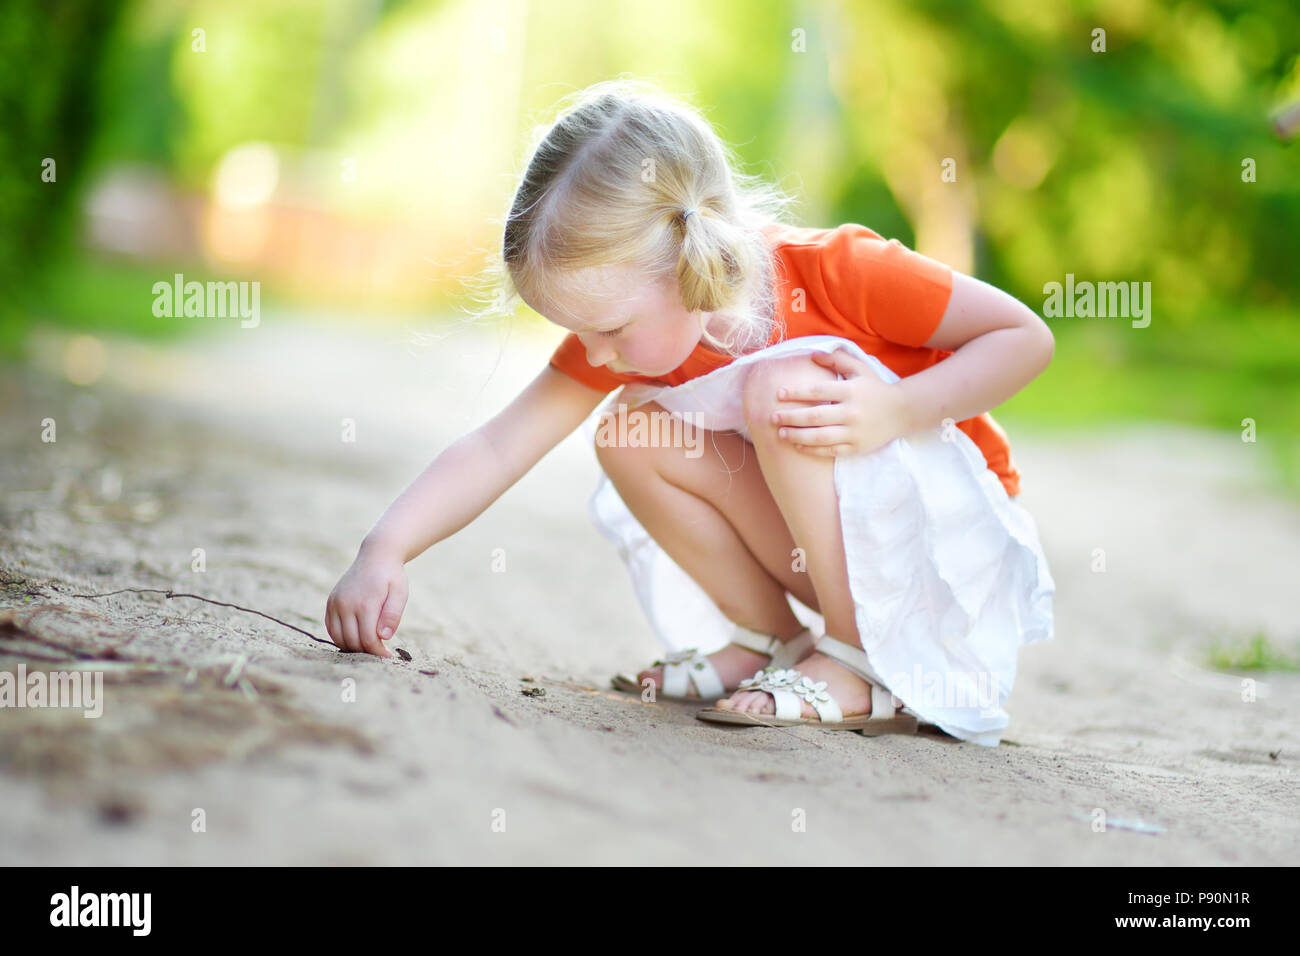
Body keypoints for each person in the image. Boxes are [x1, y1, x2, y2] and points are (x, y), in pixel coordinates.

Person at [325, 79, 1056, 746]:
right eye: (580, 332)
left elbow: (1025, 337)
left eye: (608, 329)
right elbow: (498, 447)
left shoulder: (839, 271)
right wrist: (383, 549)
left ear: (689, 260)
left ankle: (860, 658)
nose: (596, 355)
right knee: (628, 429)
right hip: (839, 555)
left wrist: (898, 408)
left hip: (938, 561)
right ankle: (772, 639)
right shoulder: (639, 327)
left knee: (785, 385)